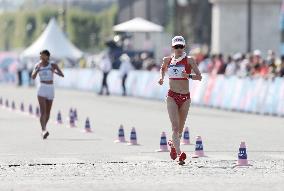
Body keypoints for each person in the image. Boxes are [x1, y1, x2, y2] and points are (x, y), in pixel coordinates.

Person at [158, 36, 202, 165]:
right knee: (175, 128)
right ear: (173, 47)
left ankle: (173, 145)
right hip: (172, 96)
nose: (178, 49)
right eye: (176, 46)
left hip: (185, 98)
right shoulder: (167, 60)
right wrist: (161, 78)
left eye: (180, 46)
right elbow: (162, 69)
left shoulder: (190, 60)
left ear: (184, 47)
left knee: (180, 131)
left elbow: (199, 77)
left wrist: (188, 75)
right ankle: (179, 154)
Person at [31, 50, 64, 139]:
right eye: (40, 56)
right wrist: (37, 70)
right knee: (43, 111)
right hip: (42, 88)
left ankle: (43, 129)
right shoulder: (37, 65)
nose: (41, 57)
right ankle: (44, 130)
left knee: (48, 112)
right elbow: (33, 77)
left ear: (47, 56)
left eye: (43, 55)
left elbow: (62, 74)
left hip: (50, 88)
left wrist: (54, 71)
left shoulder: (53, 65)